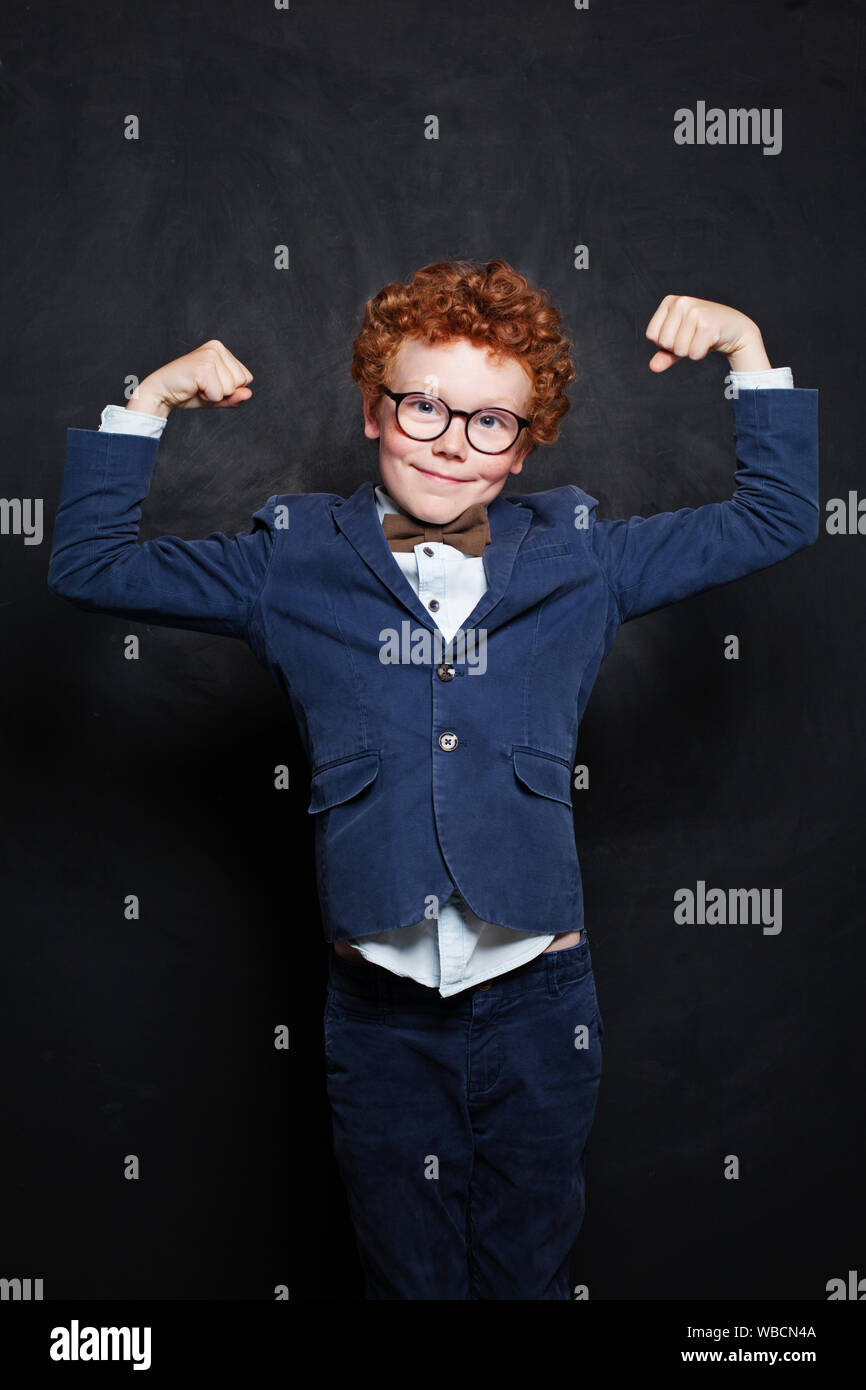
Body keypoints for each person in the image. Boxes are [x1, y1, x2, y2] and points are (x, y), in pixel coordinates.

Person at [47, 258, 819, 1299]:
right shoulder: (292, 559)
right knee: (406, 1279)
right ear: (372, 409)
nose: (453, 442)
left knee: (526, 1276)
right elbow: (88, 565)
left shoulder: (579, 556)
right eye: (423, 408)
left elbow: (773, 517)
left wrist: (745, 351)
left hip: (541, 998)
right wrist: (147, 402)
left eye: (490, 422)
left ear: (524, 443)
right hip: (378, 1007)